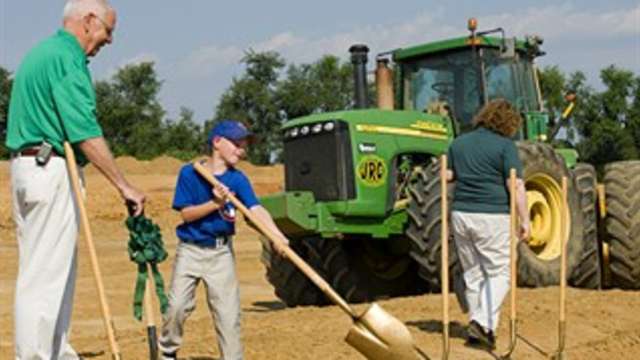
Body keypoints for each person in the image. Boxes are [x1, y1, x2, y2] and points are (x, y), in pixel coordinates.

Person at [6, 0, 145, 358]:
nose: (109, 41)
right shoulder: (66, 58)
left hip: (29, 168)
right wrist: (123, 184)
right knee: (46, 276)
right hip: (49, 167)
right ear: (88, 21)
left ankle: (56, 351)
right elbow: (84, 130)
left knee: (50, 270)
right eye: (108, 31)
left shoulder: (42, 53)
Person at [159, 120, 289, 360]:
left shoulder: (238, 180)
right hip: (191, 250)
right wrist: (215, 204)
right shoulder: (189, 173)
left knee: (228, 317)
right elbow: (186, 215)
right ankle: (168, 352)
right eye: (237, 144)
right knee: (176, 307)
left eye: (244, 146)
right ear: (217, 142)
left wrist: (278, 236)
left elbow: (256, 210)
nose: (242, 150)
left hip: (221, 254)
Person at [446, 99, 530, 350]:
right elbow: (514, 184)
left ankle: (481, 331)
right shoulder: (505, 146)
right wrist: (525, 219)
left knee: (473, 273)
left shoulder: (458, 143)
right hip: (492, 215)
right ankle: (482, 323)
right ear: (508, 122)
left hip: (461, 214)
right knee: (500, 271)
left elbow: (448, 176)